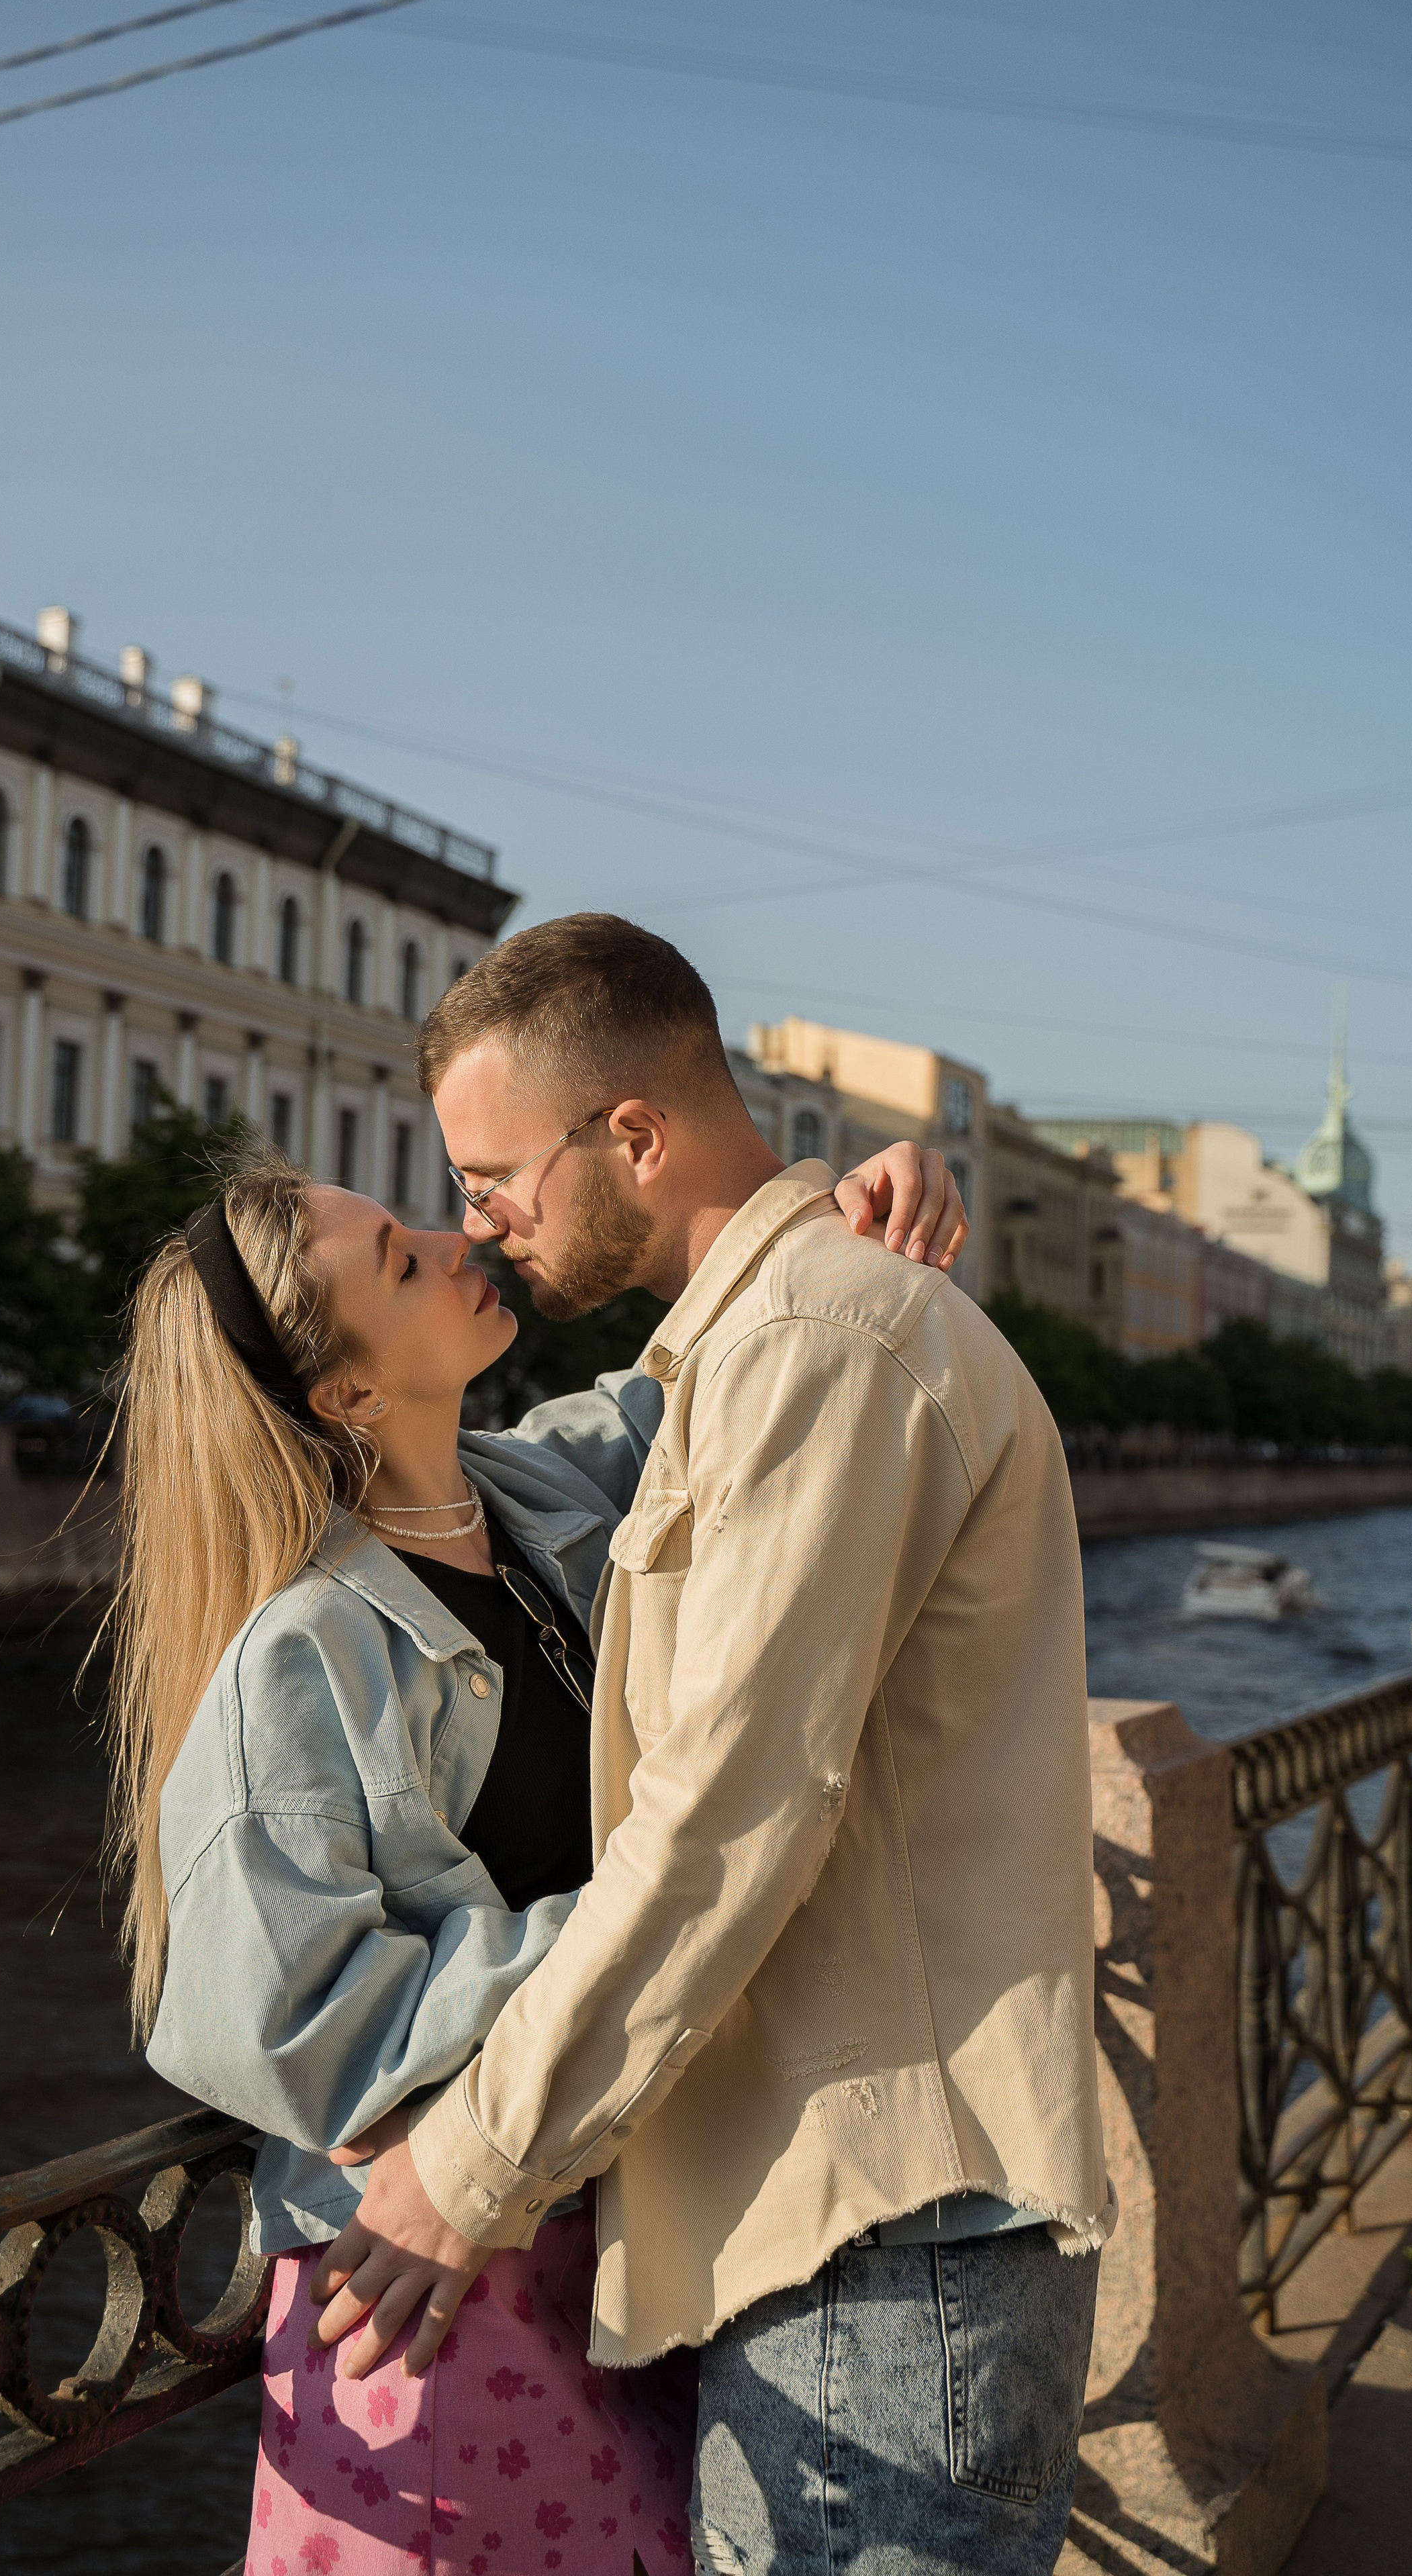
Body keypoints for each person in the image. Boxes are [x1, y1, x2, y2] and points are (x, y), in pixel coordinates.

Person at [308, 915, 1113, 2576]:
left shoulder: (813, 1346)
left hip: (882, 2243)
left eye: (490, 1177)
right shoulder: (761, 1346)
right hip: (862, 2231)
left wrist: (473, 2165)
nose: (480, 1226)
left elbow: (725, 1817)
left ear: (633, 1134)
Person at [105, 1132, 964, 2575]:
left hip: (605, 2220)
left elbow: (695, 1386)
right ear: (350, 1392)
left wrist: (824, 1204)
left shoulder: (534, 1499)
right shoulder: (302, 1655)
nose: (461, 1241)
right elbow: (283, 2024)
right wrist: (629, 1925)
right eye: (402, 1260)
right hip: (433, 2300)